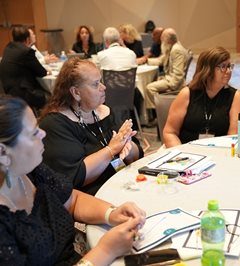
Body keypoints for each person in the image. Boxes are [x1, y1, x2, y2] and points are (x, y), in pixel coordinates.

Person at [0, 95, 146, 265]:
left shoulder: (31, 171)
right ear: (3, 153)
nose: (43, 133)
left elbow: (71, 200)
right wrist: (106, 250)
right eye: (33, 133)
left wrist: (111, 213)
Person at [39, 58, 144, 195]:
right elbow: (76, 176)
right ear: (76, 92)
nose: (103, 87)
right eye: (96, 84)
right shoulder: (55, 124)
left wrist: (127, 146)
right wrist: (111, 149)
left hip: (122, 183)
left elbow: (138, 154)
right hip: (88, 198)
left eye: (100, 81)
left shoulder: (105, 111)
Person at [163, 46, 240, 148]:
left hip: (219, 152)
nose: (228, 71)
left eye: (229, 66)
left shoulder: (236, 97)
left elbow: (233, 137)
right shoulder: (186, 94)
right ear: (208, 69)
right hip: (186, 151)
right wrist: (181, 155)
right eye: (223, 66)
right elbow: (170, 132)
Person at [0, 26, 49, 112]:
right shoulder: (26, 51)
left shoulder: (8, 48)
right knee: (52, 97)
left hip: (8, 91)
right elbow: (42, 72)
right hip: (23, 93)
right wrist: (48, 71)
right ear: (27, 38)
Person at [144, 28, 189, 110]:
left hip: (175, 83)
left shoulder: (176, 50)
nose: (161, 42)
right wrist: (146, 60)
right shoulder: (172, 47)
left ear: (167, 40)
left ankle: (159, 111)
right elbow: (161, 60)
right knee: (153, 81)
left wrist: (171, 87)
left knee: (150, 88)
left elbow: (178, 74)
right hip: (169, 79)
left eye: (162, 39)